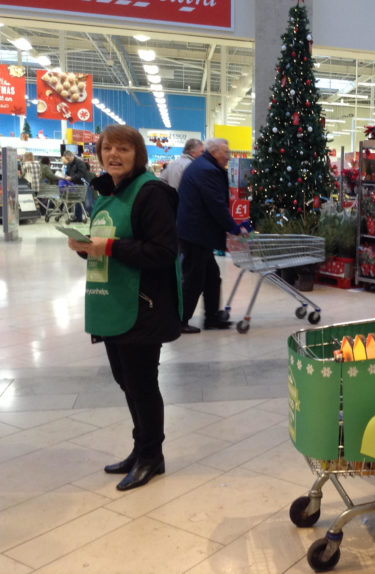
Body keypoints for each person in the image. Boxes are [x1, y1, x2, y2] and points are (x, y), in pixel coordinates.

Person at [66, 124, 181, 491]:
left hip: (143, 305)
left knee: (142, 384)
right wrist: (88, 248)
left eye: (123, 149)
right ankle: (140, 449)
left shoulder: (151, 194)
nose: (113, 155)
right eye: (107, 148)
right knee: (126, 382)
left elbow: (163, 253)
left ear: (138, 155)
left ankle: (152, 457)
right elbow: (107, 243)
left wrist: (109, 248)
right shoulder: (108, 192)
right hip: (114, 300)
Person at [177, 137, 249, 333]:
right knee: (193, 279)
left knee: (211, 278)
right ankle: (179, 321)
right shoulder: (207, 170)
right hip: (195, 234)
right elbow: (216, 205)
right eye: (226, 153)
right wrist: (234, 228)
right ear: (214, 152)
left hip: (196, 233)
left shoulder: (203, 166)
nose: (228, 157)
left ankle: (212, 318)